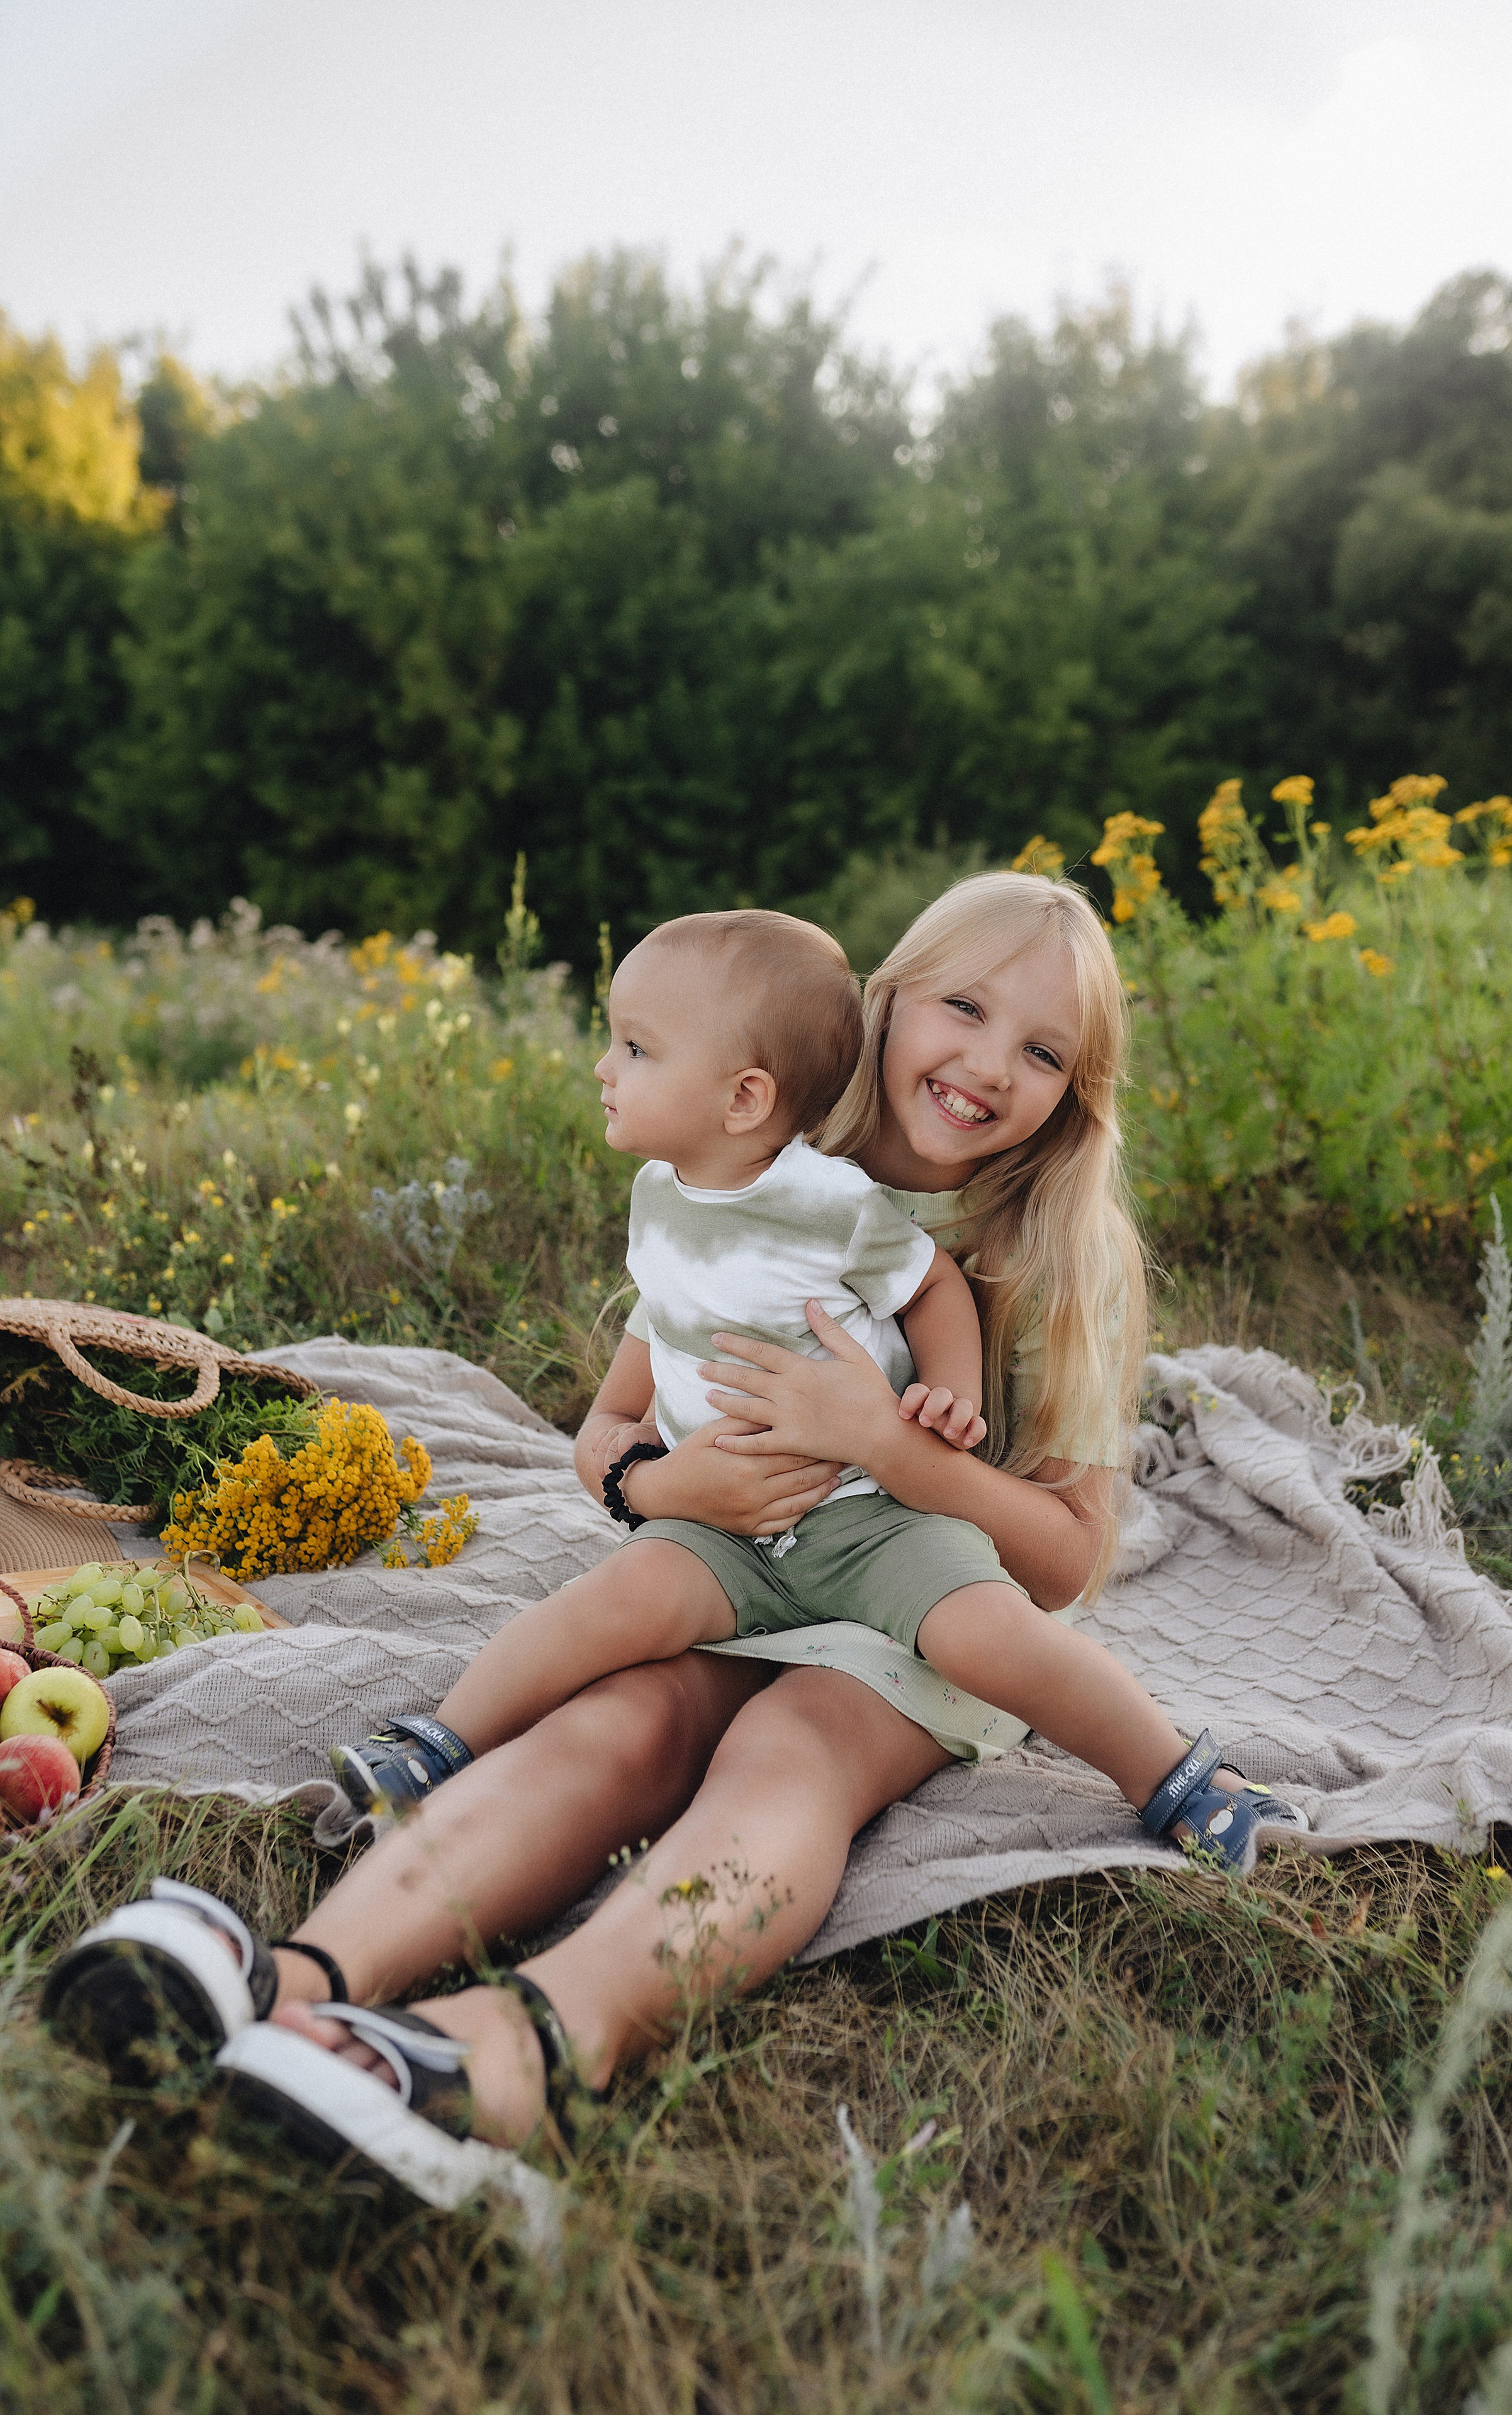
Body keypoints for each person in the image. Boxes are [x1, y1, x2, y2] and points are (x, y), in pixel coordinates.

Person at [44, 870, 1305, 2210]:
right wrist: (661, 1486)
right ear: (882, 1003)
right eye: (965, 1008)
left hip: (920, 1599)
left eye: (1045, 1052)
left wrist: (890, 1446)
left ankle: (530, 2045)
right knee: (611, 1726)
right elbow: (607, 1430)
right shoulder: (747, 1159)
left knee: (789, 1752)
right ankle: (293, 1978)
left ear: (1078, 1091)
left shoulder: (1057, 1253)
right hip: (736, 1559)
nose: (990, 1065)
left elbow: (1064, 1561)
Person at [327, 909, 994, 1819]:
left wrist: (949, 1395)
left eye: (636, 1048)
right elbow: (613, 1414)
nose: (605, 1068)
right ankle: (440, 1742)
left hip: (850, 1511)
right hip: (714, 1524)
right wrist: (663, 1484)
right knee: (604, 1601)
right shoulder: (661, 1195)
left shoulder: (827, 1204)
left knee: (978, 1627)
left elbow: (934, 1284)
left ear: (744, 1099)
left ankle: (1168, 1773)